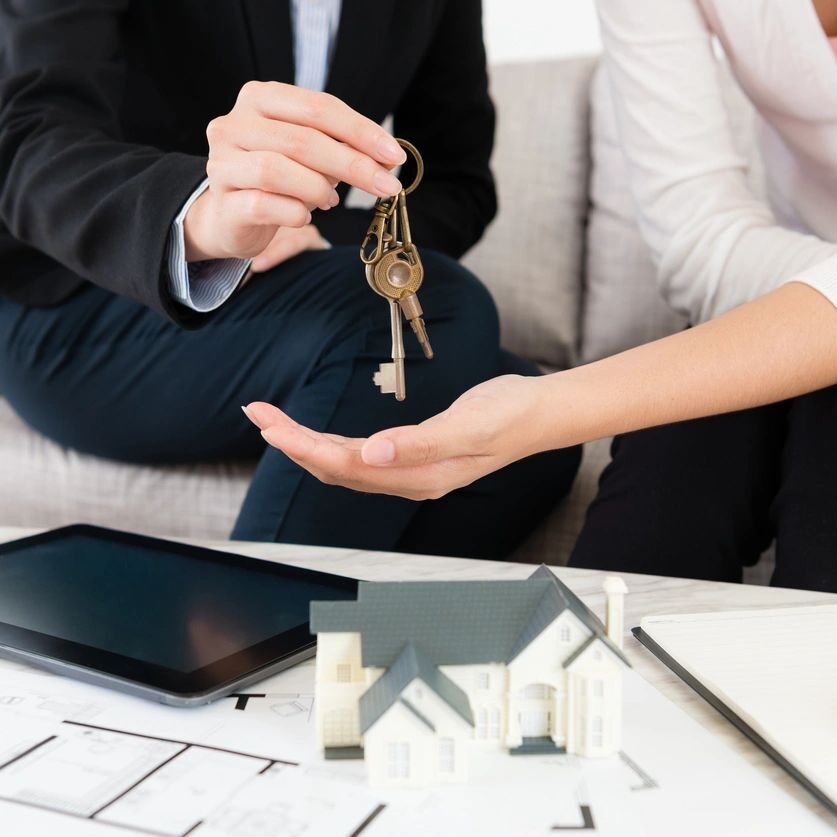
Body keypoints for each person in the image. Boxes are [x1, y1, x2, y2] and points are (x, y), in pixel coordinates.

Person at [247, 0, 837, 592]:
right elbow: (702, 240)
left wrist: (541, 411)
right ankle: (587, 674)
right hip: (784, 286)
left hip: (803, 305)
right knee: (672, 454)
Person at [0, 0, 579, 559]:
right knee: (443, 307)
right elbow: (30, 140)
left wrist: (326, 234)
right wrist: (202, 216)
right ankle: (248, 639)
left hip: (286, 296)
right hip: (74, 304)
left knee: (533, 437)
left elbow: (457, 182)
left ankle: (259, 634)